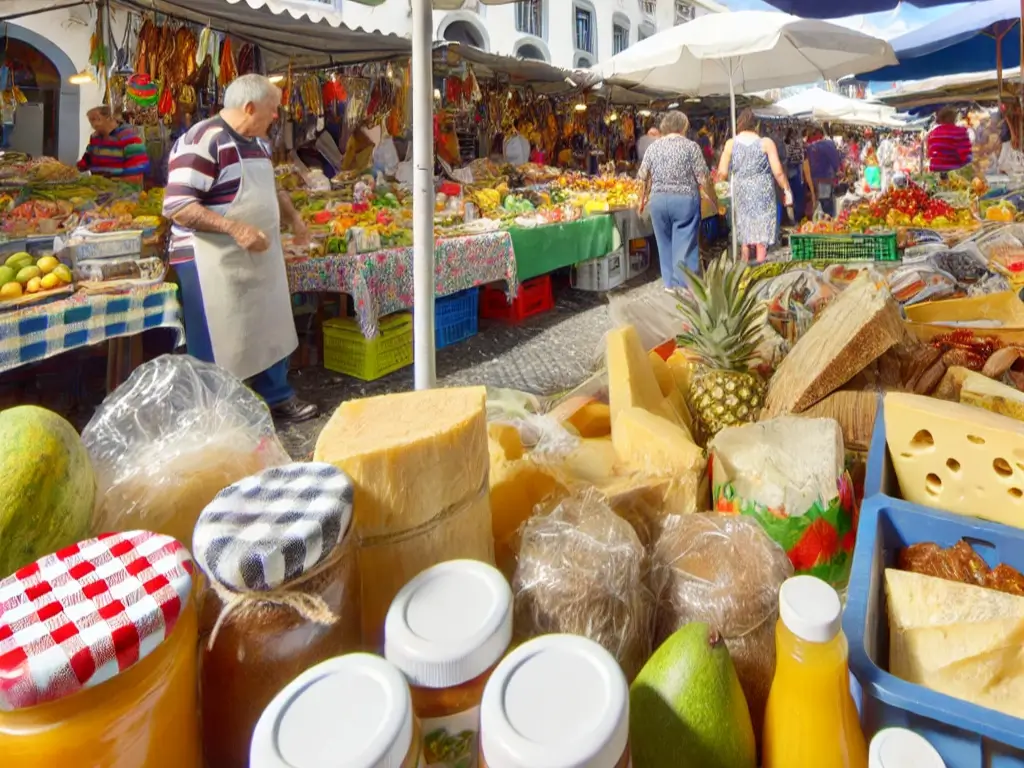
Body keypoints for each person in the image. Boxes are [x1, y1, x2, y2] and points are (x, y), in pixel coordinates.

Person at [162, 74, 318, 424]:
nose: (277, 116)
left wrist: (293, 218)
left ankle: (277, 396)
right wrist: (234, 228)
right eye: (273, 109)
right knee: (221, 336)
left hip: (258, 253)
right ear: (249, 107)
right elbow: (178, 205)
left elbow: (272, 186)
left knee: (271, 323)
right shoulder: (202, 139)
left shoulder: (259, 143)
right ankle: (218, 414)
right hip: (210, 258)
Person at [637, 111, 706, 286]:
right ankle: (682, 285)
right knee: (684, 244)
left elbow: (642, 177)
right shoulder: (691, 147)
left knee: (664, 243)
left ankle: (669, 284)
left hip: (658, 201)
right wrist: (712, 199)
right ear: (684, 126)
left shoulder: (653, 147)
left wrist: (641, 201)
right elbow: (703, 178)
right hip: (684, 201)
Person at [717, 109, 792, 264]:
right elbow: (778, 172)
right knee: (761, 231)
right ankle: (760, 265)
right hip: (762, 191)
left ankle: (744, 267)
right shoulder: (766, 143)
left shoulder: (731, 143)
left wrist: (721, 197)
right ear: (756, 125)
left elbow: (721, 173)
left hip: (740, 191)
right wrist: (786, 189)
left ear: (739, 124)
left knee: (744, 229)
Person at [77, 105, 150, 187]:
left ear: (108, 118)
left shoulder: (128, 136)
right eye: (91, 121)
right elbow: (88, 158)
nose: (93, 124)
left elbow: (137, 170)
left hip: (122, 192)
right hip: (98, 190)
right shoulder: (95, 137)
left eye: (96, 119)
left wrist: (116, 183)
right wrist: (74, 169)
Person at [805, 127, 842, 217]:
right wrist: (837, 170)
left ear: (818, 133)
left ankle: (824, 223)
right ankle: (827, 222)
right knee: (825, 203)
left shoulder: (811, 146)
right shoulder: (827, 144)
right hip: (824, 178)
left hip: (818, 178)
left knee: (822, 202)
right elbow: (835, 159)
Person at [927, 107, 972, 174]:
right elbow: (965, 155)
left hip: (935, 171)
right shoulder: (959, 132)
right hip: (952, 173)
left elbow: (929, 153)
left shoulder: (933, 133)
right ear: (954, 118)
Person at [784, 128, 806, 223]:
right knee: (798, 197)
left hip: (788, 170)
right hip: (796, 170)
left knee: (790, 196)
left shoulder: (785, 143)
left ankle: (791, 219)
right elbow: (801, 159)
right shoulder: (798, 142)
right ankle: (797, 218)